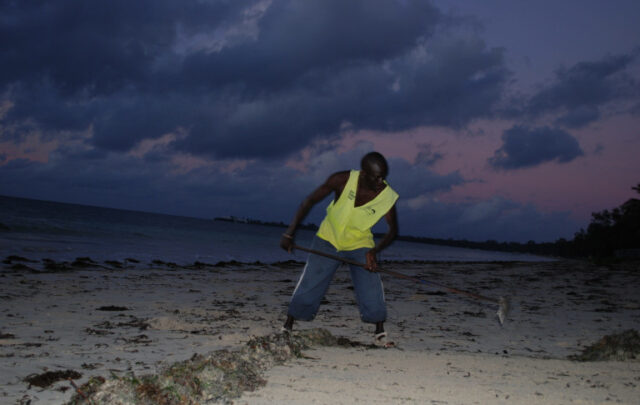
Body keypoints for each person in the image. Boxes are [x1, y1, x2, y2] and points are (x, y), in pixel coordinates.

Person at [280, 151, 399, 346]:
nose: (381, 182)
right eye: (376, 177)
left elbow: (393, 230)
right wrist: (289, 234)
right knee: (310, 282)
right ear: (363, 173)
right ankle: (288, 325)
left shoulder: (387, 196)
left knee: (371, 285)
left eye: (383, 177)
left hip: (360, 244)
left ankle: (379, 331)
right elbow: (309, 201)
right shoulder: (342, 180)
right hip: (328, 238)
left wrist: (373, 252)